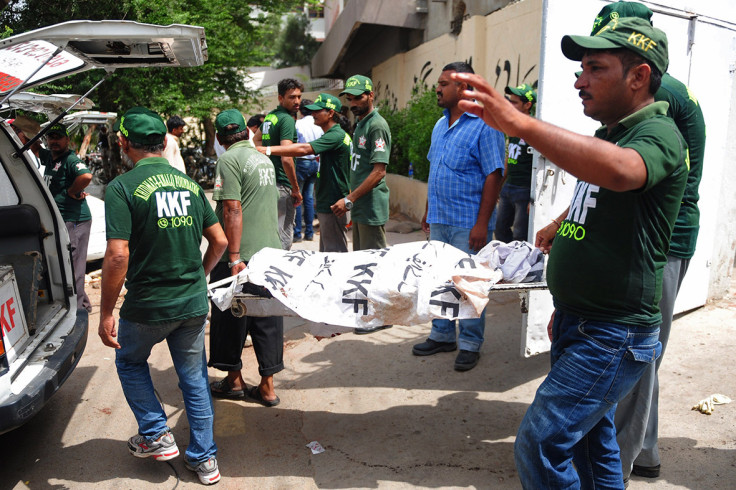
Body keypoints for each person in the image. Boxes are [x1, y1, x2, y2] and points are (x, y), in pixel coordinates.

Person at [450, 17, 688, 488]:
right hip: (582, 321)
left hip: (613, 333)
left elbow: (623, 173)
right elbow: (597, 201)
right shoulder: (610, 135)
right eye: (580, 69)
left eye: (594, 68)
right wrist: (562, 241)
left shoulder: (659, 133)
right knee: (590, 442)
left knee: (540, 443)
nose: (579, 81)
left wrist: (521, 123)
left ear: (638, 76)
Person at [587, 2, 707, 483]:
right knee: (644, 351)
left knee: (636, 351)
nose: (589, 76)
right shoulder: (672, 90)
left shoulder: (661, 96)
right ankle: (646, 451)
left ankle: (616, 464)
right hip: (664, 232)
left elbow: (630, 172)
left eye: (600, 62)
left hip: (660, 238)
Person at [98, 107, 227, 485]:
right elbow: (219, 241)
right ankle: (205, 460)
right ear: (165, 140)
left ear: (123, 142)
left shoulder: (121, 187)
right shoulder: (188, 185)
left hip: (147, 305)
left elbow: (118, 254)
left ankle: (156, 433)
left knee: (130, 361)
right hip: (191, 303)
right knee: (194, 379)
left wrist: (107, 313)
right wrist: (199, 274)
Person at [412, 62, 505, 371]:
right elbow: (434, 169)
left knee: (469, 284)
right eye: (437, 83)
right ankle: (442, 335)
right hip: (440, 217)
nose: (436, 88)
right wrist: (428, 209)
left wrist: (482, 223)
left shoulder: (485, 123)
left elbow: (494, 174)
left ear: (464, 88)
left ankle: (470, 343)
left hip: (468, 222)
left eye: (443, 83)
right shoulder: (440, 126)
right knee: (439, 280)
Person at [208, 109, 285, 408]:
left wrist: (234, 257)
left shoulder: (228, 160)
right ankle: (267, 387)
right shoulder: (263, 159)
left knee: (230, 316)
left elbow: (232, 209)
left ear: (219, 137)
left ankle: (234, 380)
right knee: (267, 317)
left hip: (240, 255)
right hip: (270, 253)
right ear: (247, 132)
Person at [332, 74, 392, 334]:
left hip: (370, 205)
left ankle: (382, 315)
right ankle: (369, 310)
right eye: (350, 98)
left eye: (359, 97)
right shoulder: (360, 124)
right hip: (359, 206)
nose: (354, 102)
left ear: (371, 95)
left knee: (375, 264)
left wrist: (350, 199)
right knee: (363, 262)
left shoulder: (376, 125)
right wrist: (351, 199)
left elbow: (379, 171)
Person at [256, 93, 351, 252]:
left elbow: (304, 148)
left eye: (318, 111)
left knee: (335, 255)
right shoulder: (332, 134)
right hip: (329, 200)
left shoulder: (336, 134)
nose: (313, 114)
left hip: (333, 202)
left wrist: (268, 149)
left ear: (331, 113)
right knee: (328, 253)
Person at [40, 123, 93, 312]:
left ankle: (77, 312)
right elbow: (31, 146)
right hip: (61, 219)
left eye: (58, 137)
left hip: (75, 220)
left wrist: (72, 191)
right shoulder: (48, 157)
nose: (54, 141)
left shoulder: (70, 159)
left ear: (67, 140)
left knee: (74, 268)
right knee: (67, 265)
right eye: (51, 137)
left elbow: (86, 176)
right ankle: (84, 305)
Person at [254, 78, 304, 250]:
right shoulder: (286, 120)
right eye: (292, 97)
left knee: (271, 233)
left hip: (268, 182)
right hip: (283, 184)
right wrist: (296, 189)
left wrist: (268, 152)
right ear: (280, 98)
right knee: (283, 237)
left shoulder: (270, 117)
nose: (297, 101)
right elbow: (287, 157)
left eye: (298, 96)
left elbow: (256, 141)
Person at [495, 83, 537, 243]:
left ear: (527, 105)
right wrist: (499, 186)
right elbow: (509, 158)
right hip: (508, 188)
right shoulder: (513, 126)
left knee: (520, 235)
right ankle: (505, 261)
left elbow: (539, 164)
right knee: (500, 230)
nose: (510, 105)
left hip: (523, 190)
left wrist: (533, 196)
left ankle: (518, 265)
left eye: (514, 102)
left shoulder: (533, 128)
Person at [293, 99, 324, 242]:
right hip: (315, 161)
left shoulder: (298, 124)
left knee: (299, 198)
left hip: (302, 161)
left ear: (300, 111)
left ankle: (298, 233)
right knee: (309, 198)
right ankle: (310, 232)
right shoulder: (318, 124)